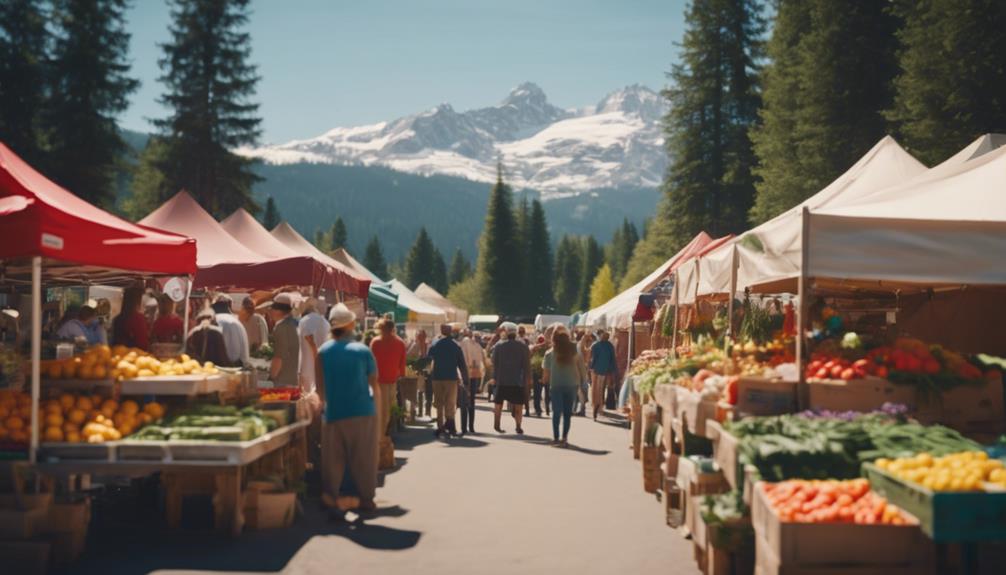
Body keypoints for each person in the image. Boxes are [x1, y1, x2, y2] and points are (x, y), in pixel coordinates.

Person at [313, 303, 379, 516]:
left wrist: (322, 407)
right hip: (362, 411)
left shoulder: (323, 352)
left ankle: (331, 497)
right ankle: (366, 500)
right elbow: (374, 384)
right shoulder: (363, 350)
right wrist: (377, 411)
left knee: (333, 460)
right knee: (364, 458)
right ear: (351, 324)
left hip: (334, 413)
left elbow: (320, 389)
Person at [543, 326, 585, 447]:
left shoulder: (549, 353)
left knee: (556, 412)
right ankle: (564, 437)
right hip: (572, 385)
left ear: (554, 340)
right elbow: (581, 366)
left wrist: (545, 381)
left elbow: (546, 374)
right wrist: (583, 381)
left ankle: (556, 437)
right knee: (567, 413)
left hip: (556, 385)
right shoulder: (574, 351)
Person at [426, 324, 468, 438]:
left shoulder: (435, 344)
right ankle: (451, 427)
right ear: (451, 332)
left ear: (441, 331)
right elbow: (462, 364)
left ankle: (440, 427)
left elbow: (428, 360)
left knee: (439, 404)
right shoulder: (456, 345)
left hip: (437, 377)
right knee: (450, 403)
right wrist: (465, 380)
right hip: (451, 378)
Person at [491, 322, 531, 434]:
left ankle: (497, 425)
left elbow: (494, 361)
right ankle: (518, 426)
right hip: (517, 381)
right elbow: (526, 364)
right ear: (516, 334)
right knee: (518, 406)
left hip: (501, 380)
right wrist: (528, 379)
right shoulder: (523, 347)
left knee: (498, 404)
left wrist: (494, 376)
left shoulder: (499, 346)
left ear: (507, 334)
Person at [370, 317, 407, 437]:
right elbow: (402, 362)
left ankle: (381, 435)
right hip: (381, 381)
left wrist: (401, 374)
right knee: (385, 410)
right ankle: (380, 435)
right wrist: (402, 374)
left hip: (387, 381)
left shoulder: (376, 342)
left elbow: (370, 362)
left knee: (385, 410)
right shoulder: (399, 343)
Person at [298, 298, 330, 395]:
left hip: (308, 366)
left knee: (308, 398)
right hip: (324, 365)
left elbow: (310, 338)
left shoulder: (304, 321)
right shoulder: (325, 322)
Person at [269, 293, 299, 387]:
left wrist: (272, 377)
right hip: (293, 377)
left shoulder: (281, 328)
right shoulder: (294, 324)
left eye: (273, 308)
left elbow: (279, 357)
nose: (270, 311)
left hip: (283, 380)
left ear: (278, 310)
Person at [211, 294, 250, 367]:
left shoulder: (210, 321)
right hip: (236, 369)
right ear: (230, 306)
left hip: (216, 368)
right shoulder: (236, 322)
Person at [458, 329, 485, 433]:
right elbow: (481, 361)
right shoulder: (477, 346)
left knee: (464, 402)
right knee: (472, 402)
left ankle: (464, 427)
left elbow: (461, 361)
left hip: (465, 376)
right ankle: (471, 426)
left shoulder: (463, 344)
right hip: (475, 375)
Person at [590, 329, 617, 420]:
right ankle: (599, 407)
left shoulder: (595, 345)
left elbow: (593, 359)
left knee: (595, 389)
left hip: (596, 370)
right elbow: (613, 360)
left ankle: (596, 406)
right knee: (601, 389)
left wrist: (590, 368)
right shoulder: (610, 346)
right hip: (605, 371)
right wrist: (613, 371)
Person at [407, 329, 431, 417]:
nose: (421, 338)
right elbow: (408, 357)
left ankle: (426, 411)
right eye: (420, 336)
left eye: (423, 336)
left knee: (426, 392)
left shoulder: (428, 345)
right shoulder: (414, 346)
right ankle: (416, 411)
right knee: (417, 391)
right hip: (417, 372)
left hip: (427, 373)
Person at [576, 332, 595, 416]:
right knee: (582, 389)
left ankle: (582, 409)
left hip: (580, 371)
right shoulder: (586, 348)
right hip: (583, 370)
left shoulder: (583, 348)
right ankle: (581, 408)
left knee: (580, 390)